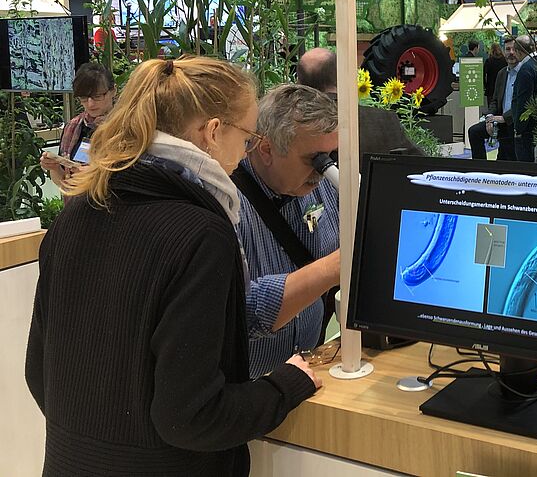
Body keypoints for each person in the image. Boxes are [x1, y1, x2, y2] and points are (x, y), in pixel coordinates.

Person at [26, 56, 320, 477]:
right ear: (214, 133)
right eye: (249, 136)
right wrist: (286, 385)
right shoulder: (200, 235)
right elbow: (192, 417)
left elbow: (41, 376)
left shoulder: (74, 217)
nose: (248, 150)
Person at [232, 84, 343, 379]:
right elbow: (241, 312)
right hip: (253, 387)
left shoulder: (321, 186)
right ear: (266, 148)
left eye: (330, 156)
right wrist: (331, 268)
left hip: (309, 373)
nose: (324, 170)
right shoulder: (226, 203)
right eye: (314, 159)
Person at [296, 47, 423, 159]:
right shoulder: (384, 120)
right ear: (340, 75)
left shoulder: (295, 124)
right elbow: (421, 164)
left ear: (300, 84)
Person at [39, 62, 116, 189]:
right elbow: (63, 181)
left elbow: (134, 179)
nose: (90, 104)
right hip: (77, 204)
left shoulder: (126, 126)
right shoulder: (73, 126)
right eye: (84, 98)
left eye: (97, 96)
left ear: (113, 91)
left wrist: (96, 176)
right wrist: (55, 167)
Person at [468, 37, 519, 160]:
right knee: (474, 132)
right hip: (500, 122)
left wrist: (504, 118)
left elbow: (524, 105)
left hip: (515, 123)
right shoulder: (502, 73)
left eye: (514, 49)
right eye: (507, 49)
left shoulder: (524, 73)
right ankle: (480, 172)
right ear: (503, 51)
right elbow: (495, 101)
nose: (511, 52)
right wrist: (489, 118)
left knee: (505, 158)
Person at [512, 34, 537, 162]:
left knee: (526, 168)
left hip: (528, 129)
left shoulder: (526, 70)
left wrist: (518, 128)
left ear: (518, 51)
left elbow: (524, 102)